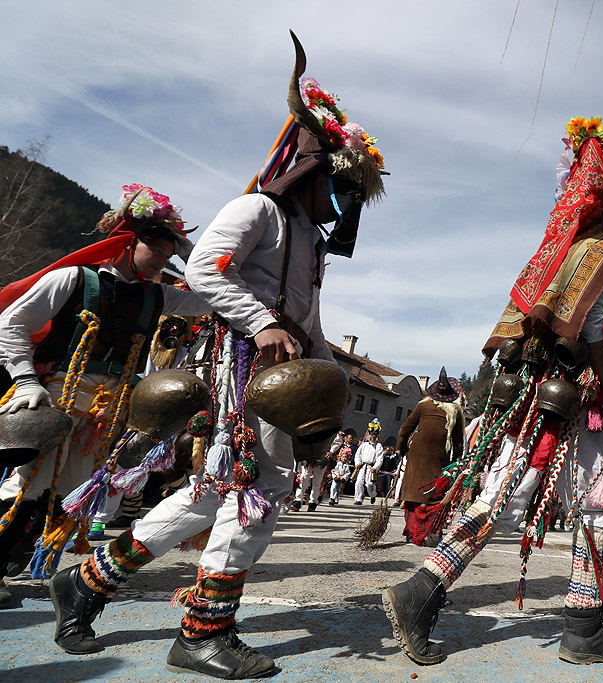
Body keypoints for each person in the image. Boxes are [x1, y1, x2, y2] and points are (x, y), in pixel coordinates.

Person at [45, 34, 385, 679]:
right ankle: (203, 632)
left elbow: (304, 319)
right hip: (241, 363)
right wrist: (259, 323)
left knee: (214, 493)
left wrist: (327, 372)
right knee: (259, 489)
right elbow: (203, 270)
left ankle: (86, 582)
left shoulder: (309, 239)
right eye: (337, 187)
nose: (342, 204)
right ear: (310, 173)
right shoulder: (256, 207)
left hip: (280, 372)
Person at [382, 117, 603, 666]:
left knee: (503, 493)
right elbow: (590, 330)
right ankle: (583, 627)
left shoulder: (550, 248)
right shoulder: (592, 248)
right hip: (570, 397)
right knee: (596, 499)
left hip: (529, 392)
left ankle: (421, 589)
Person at [0, 184, 206, 609]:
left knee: (71, 492)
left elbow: (211, 300)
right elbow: (9, 325)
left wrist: (206, 262)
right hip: (54, 395)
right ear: (129, 242)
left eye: (170, 254)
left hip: (107, 411)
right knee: (26, 485)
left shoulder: (159, 294)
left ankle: (13, 562)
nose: (166, 260)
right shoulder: (72, 280)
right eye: (161, 250)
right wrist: (25, 381)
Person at [396, 368, 464, 546]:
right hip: (439, 459)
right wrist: (457, 465)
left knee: (413, 494)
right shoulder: (455, 411)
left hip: (415, 457)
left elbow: (404, 430)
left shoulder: (422, 405)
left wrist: (401, 450)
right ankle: (431, 532)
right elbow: (458, 444)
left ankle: (412, 532)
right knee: (434, 497)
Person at [353, 420, 384, 505]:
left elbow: (380, 459)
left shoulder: (378, 446)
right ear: (369, 435)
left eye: (375, 435)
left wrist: (375, 467)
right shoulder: (364, 445)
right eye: (372, 435)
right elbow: (357, 455)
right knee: (359, 482)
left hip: (371, 467)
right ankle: (358, 499)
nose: (373, 436)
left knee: (369, 484)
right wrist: (357, 463)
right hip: (363, 466)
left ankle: (373, 495)